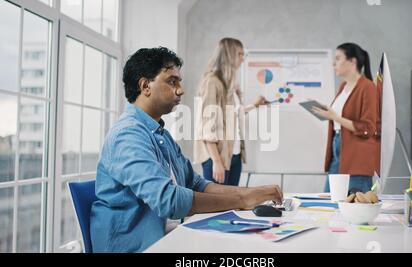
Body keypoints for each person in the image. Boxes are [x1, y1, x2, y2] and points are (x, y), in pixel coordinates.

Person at [90, 47, 283, 253]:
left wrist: (251, 193)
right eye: (172, 81)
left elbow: (196, 183)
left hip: (170, 237)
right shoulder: (127, 136)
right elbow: (169, 201)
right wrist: (243, 200)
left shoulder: (159, 133)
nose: (181, 89)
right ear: (145, 86)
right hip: (141, 247)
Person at [194, 38, 268, 186]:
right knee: (217, 206)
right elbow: (208, 126)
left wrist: (255, 105)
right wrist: (216, 161)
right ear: (229, 55)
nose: (243, 58)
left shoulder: (229, 83)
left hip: (233, 155)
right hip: (217, 157)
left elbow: (233, 114)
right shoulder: (212, 81)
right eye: (240, 54)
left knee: (232, 202)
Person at [312, 43, 381, 193]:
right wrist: (329, 114)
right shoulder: (343, 87)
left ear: (353, 61)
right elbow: (341, 118)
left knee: (356, 205)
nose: (333, 63)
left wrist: (335, 117)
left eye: (338, 58)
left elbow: (369, 128)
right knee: (330, 201)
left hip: (357, 156)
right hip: (338, 148)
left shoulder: (368, 87)